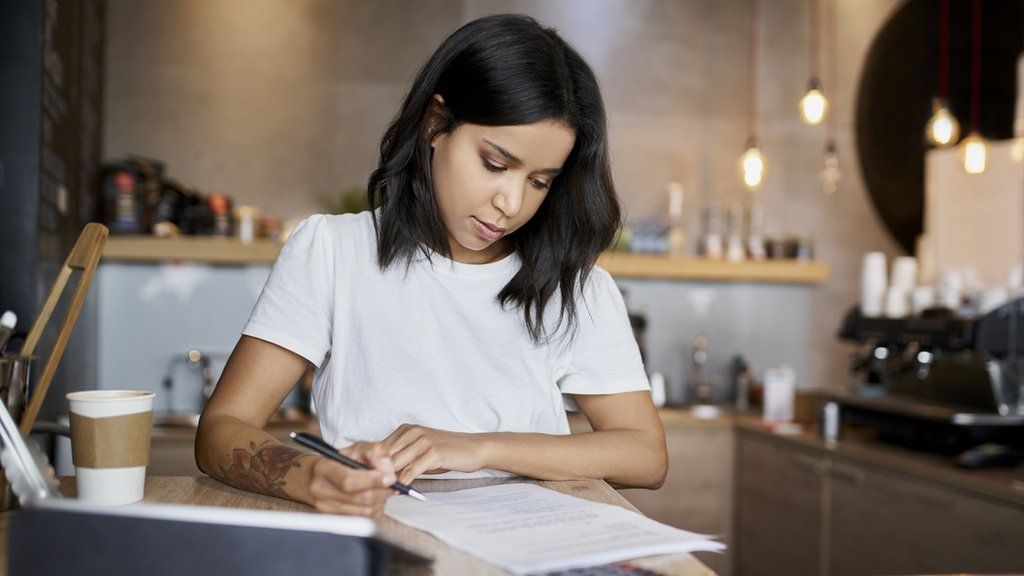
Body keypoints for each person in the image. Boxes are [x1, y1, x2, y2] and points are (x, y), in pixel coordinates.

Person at [195, 13, 666, 519]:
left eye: (540, 181)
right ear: (436, 125)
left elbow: (645, 456)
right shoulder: (333, 250)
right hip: (380, 533)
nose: (511, 202)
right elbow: (222, 428)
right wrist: (312, 477)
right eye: (495, 163)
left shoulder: (576, 286)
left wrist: (478, 448)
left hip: (531, 545)